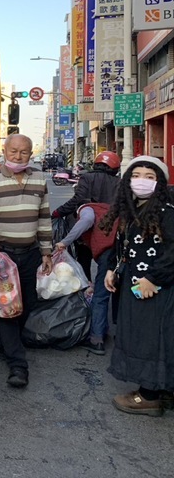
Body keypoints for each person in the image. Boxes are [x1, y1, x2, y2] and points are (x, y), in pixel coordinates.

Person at [0, 133, 53, 389]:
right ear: (4, 151)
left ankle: (5, 346)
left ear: (30, 154)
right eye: (13, 151)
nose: (18, 156)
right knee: (6, 308)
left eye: (24, 152)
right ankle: (18, 365)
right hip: (2, 257)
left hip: (30, 254)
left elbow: (44, 217)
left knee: (27, 305)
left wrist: (46, 251)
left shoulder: (39, 178)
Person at [103, 155, 174, 417]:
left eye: (149, 177)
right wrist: (111, 269)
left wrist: (154, 278)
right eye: (136, 175)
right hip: (134, 286)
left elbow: (171, 251)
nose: (141, 181)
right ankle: (162, 390)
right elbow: (123, 245)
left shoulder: (167, 212)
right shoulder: (131, 210)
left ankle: (149, 396)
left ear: (160, 182)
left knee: (153, 340)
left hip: (158, 289)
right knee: (144, 337)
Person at [53, 198, 118, 355]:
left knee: (100, 296)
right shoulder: (107, 207)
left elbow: (87, 220)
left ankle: (96, 339)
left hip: (109, 255)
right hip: (122, 253)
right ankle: (120, 334)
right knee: (119, 294)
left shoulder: (86, 208)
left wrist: (64, 242)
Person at [52, 151, 121, 282]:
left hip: (85, 231)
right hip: (108, 229)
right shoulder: (119, 182)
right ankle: (102, 288)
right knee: (106, 263)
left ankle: (86, 286)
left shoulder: (87, 178)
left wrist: (59, 212)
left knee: (84, 259)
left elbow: (77, 199)